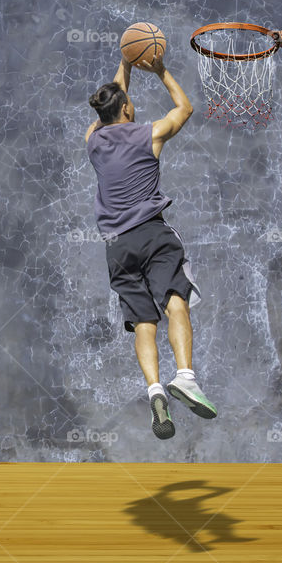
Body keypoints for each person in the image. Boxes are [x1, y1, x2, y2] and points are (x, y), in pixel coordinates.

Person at [85, 51, 217, 440]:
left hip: (117, 247)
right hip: (153, 236)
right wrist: (159, 70)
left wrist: (125, 65)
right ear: (127, 109)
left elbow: (112, 102)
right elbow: (185, 108)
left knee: (144, 322)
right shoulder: (149, 134)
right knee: (175, 301)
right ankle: (186, 378)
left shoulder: (93, 141)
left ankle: (155, 390)